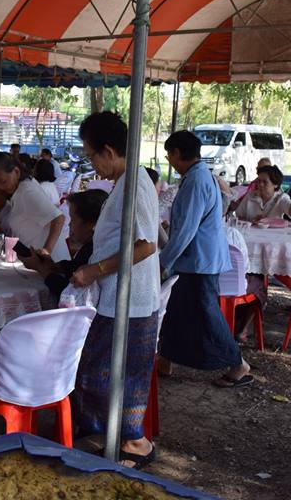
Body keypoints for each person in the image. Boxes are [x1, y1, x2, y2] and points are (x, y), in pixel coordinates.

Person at [69, 111, 160, 470]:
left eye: (91, 155)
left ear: (108, 150)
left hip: (130, 298)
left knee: (102, 374)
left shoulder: (134, 182)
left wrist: (95, 270)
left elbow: (146, 245)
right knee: (100, 372)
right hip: (117, 295)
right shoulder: (125, 181)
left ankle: (135, 443)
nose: (92, 163)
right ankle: (114, 436)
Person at [158, 131, 252, 388]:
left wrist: (163, 261)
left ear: (177, 153)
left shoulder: (197, 180)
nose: (169, 161)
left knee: (208, 314)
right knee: (175, 310)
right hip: (194, 260)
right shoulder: (196, 176)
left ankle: (238, 364)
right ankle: (165, 358)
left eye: (169, 155)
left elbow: (186, 229)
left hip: (201, 261)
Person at [21, 189, 107, 302]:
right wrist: (56, 265)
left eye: (73, 219)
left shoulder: (94, 251)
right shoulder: (92, 245)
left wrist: (40, 268)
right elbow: (75, 266)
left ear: (90, 224)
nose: (70, 224)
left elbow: (67, 291)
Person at [0, 152, 68, 262]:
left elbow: (58, 218)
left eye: (2, 181)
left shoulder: (27, 192)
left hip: (53, 262)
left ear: (16, 172)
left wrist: (46, 250)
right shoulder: (21, 189)